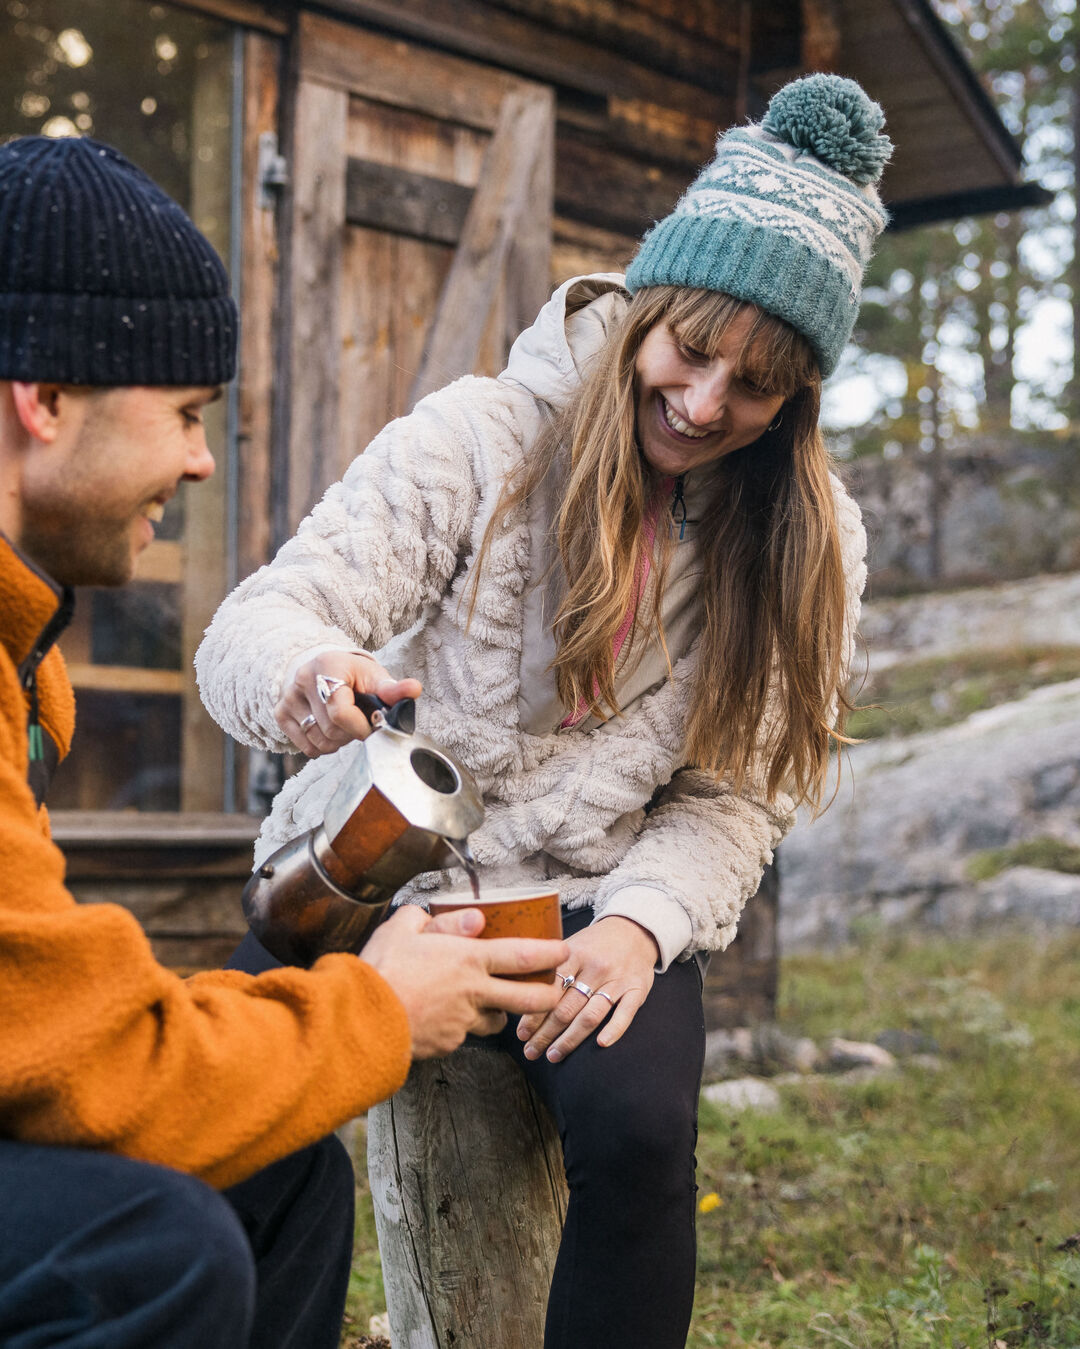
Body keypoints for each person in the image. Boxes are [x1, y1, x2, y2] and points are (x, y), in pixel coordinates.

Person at [197, 74, 888, 1347]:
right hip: (381, 876)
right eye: (691, 350)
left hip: (592, 895)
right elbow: (265, 613)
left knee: (641, 1135)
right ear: (642, 309)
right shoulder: (479, 435)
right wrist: (309, 677)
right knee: (231, 1111)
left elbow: (736, 798)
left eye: (757, 384)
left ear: (797, 398)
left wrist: (641, 927)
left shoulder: (811, 540)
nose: (704, 402)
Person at [0, 134, 569, 1349]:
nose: (204, 459)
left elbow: (45, 1026)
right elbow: (88, 1079)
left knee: (284, 1167)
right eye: (187, 414)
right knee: (152, 1251)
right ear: (43, 400)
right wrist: (372, 1009)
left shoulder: (17, 656)